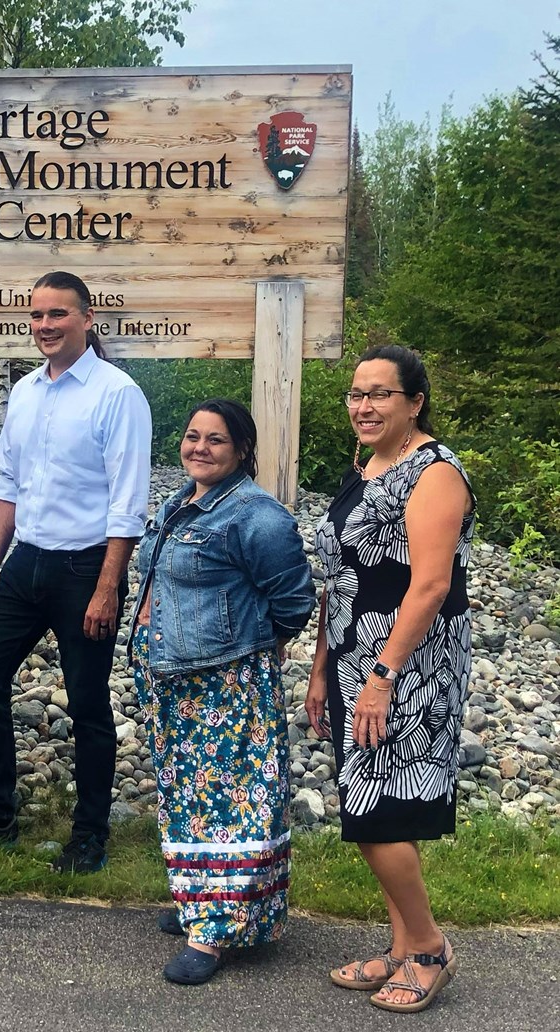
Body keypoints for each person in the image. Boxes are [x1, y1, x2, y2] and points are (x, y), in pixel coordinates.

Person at [0, 271, 152, 873]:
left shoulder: (117, 393)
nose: (45, 326)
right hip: (26, 562)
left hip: (86, 570)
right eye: (37, 316)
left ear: (87, 319)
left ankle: (90, 832)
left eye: (58, 314)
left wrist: (108, 588)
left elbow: (128, 504)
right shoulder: (24, 392)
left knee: (86, 702)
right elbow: (8, 483)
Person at [307, 344, 473, 1013]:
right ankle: (402, 947)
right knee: (369, 799)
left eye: (379, 394)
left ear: (415, 401)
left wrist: (382, 676)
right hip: (353, 657)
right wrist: (322, 669)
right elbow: (341, 577)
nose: (363, 406)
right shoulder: (368, 466)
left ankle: (430, 948)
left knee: (374, 807)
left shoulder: (435, 472)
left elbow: (431, 583)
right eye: (356, 393)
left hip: (406, 662)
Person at [129, 399, 316, 985]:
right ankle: (200, 901)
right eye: (192, 437)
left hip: (225, 684)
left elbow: (293, 603)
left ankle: (213, 933)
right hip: (174, 682)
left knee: (232, 803)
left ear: (241, 450)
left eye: (216, 440)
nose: (199, 448)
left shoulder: (257, 516)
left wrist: (253, 647)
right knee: (186, 796)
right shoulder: (179, 503)